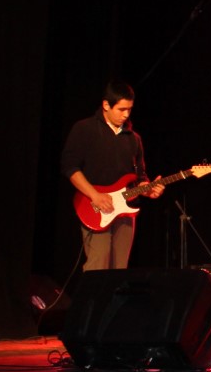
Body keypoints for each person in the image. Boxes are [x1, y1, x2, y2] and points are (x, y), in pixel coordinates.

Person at [60, 80, 162, 272]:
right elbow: (70, 167)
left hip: (125, 210)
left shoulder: (134, 139)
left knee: (119, 269)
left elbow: (140, 176)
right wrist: (95, 195)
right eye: (121, 109)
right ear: (106, 105)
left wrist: (148, 189)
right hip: (94, 206)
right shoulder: (85, 129)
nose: (126, 114)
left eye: (129, 109)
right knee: (99, 265)